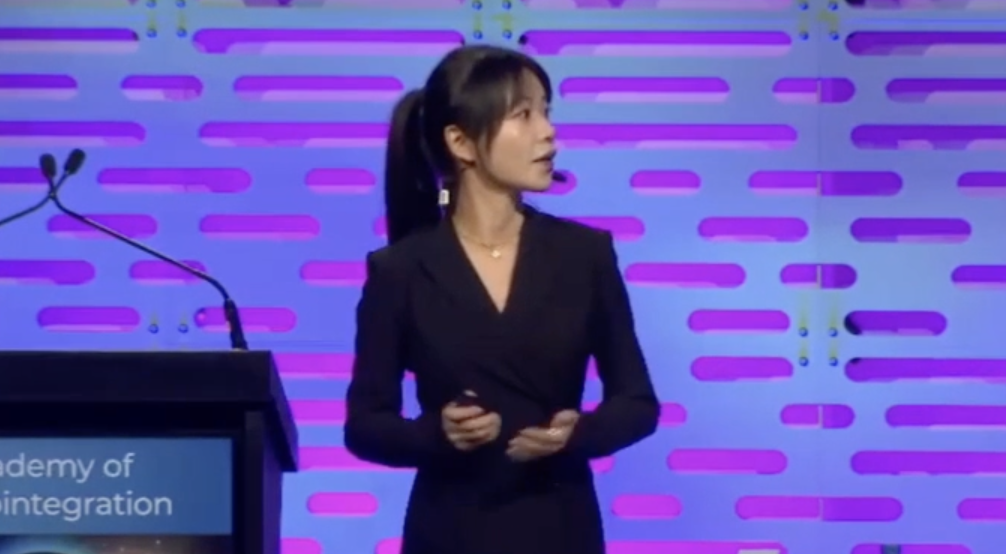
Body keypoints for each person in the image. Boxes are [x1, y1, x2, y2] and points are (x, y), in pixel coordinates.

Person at [344, 44, 660, 554]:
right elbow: (365, 426)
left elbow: (638, 403)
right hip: (450, 530)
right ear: (461, 142)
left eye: (547, 112)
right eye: (524, 115)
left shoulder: (585, 254)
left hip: (560, 525)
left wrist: (577, 435)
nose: (548, 132)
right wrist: (436, 434)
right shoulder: (399, 270)